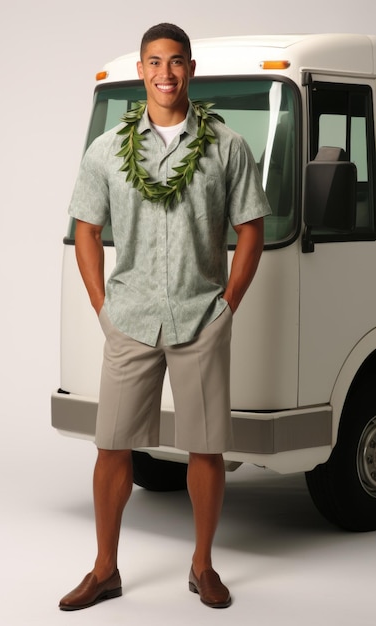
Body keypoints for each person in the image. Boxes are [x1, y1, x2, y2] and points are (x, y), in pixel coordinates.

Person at [59, 23, 271, 611]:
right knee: (112, 447)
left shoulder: (227, 147)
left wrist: (227, 305)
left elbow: (250, 228)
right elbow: (87, 229)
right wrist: (104, 308)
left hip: (201, 316)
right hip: (131, 317)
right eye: (154, 62)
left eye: (176, 62)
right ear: (142, 71)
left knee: (206, 448)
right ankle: (105, 569)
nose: (165, 74)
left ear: (191, 70)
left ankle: (202, 566)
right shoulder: (107, 151)